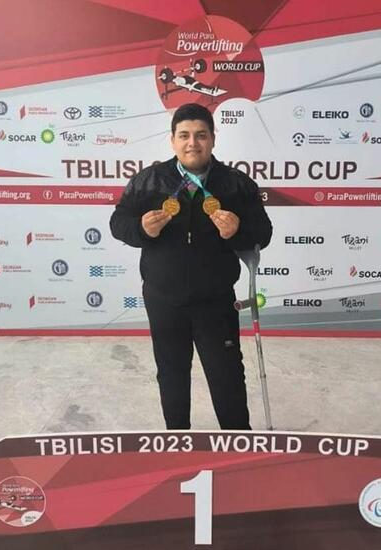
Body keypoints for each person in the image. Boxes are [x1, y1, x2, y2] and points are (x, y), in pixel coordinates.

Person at [109, 103, 273, 430]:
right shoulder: (148, 181)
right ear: (172, 140)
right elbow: (118, 222)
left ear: (212, 139)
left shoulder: (236, 183)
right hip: (163, 299)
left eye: (201, 135)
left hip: (215, 300)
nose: (192, 143)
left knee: (226, 375)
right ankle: (177, 443)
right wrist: (141, 229)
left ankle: (237, 443)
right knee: (171, 373)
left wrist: (238, 230)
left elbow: (263, 233)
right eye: (184, 135)